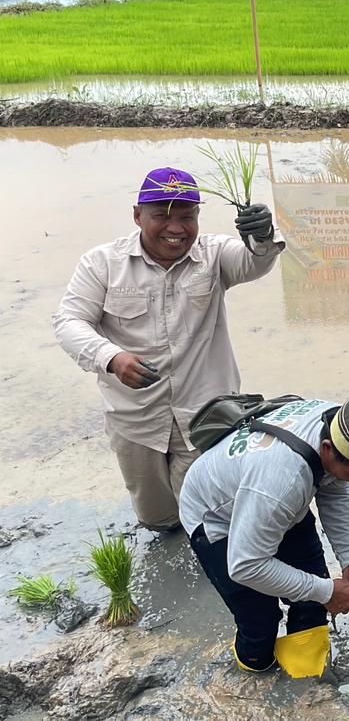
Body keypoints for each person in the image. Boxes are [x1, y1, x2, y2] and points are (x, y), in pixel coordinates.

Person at [53, 168, 281, 531]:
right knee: (156, 517)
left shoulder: (214, 254)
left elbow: (254, 262)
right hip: (135, 419)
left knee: (208, 517)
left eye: (186, 217)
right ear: (137, 215)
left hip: (206, 416)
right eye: (161, 215)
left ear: (197, 218)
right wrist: (111, 358)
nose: (175, 228)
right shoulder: (102, 263)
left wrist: (262, 235)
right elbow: (69, 322)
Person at [180, 395, 349, 675]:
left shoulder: (340, 422)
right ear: (328, 449)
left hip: (271, 501)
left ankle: (306, 673)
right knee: (260, 622)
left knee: (311, 605)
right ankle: (257, 666)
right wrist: (327, 591)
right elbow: (246, 566)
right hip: (216, 517)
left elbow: (334, 488)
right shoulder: (283, 481)